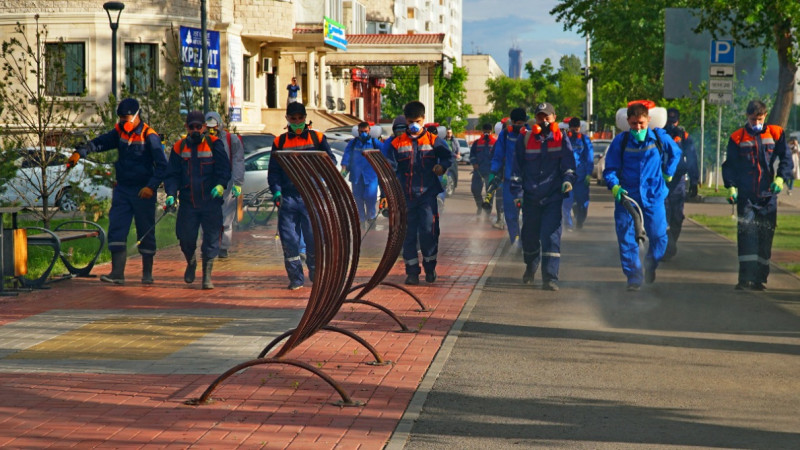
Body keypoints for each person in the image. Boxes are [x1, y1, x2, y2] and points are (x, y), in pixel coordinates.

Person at [69, 97, 168, 285]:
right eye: (121, 118)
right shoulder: (119, 131)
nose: (123, 121)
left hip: (143, 191)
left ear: (137, 115)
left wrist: (151, 186)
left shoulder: (150, 136)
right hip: (123, 188)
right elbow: (102, 142)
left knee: (145, 230)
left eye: (127, 117)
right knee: (117, 228)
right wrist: (82, 151)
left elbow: (163, 166)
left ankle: (147, 274)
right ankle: (117, 273)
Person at [603, 102, 682, 291]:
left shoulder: (658, 137)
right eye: (633, 124)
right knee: (626, 237)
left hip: (653, 196)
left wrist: (668, 172)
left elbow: (676, 153)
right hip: (627, 197)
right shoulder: (620, 141)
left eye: (641, 123)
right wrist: (614, 186)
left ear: (648, 121)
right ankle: (634, 278)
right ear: (627, 123)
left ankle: (650, 264)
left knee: (659, 237)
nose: (637, 128)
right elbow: (610, 169)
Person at [722, 100, 794, 291]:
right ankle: (745, 278)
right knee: (747, 235)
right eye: (753, 119)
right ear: (747, 117)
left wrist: (780, 179)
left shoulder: (776, 134)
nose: (756, 123)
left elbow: (786, 159)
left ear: (765, 116)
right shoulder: (737, 138)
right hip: (747, 196)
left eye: (760, 119)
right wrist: (731, 187)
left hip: (768, 196)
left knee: (765, 237)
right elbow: (729, 166)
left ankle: (760, 279)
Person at [384, 101, 454, 285]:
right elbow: (389, 169)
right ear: (405, 121)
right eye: (410, 121)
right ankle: (412, 272)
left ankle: (430, 269)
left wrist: (442, 166)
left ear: (423, 120)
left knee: (429, 233)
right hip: (406, 197)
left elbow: (448, 157)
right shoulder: (397, 143)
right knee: (407, 235)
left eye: (417, 120)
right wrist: (387, 194)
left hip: (427, 196)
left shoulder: (433, 140)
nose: (413, 125)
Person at [268, 102, 336, 290]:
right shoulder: (279, 142)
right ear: (287, 119)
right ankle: (296, 278)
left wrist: (320, 178)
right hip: (288, 198)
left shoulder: (318, 138)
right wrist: (276, 191)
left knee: (313, 236)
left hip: (311, 197)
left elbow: (331, 161)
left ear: (305, 118)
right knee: (289, 240)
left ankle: (315, 270)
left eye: (300, 118)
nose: (297, 122)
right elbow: (273, 171)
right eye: (293, 118)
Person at [509, 102, 576, 291]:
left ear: (554, 118)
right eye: (540, 117)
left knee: (551, 237)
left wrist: (568, 180)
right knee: (529, 237)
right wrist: (517, 193)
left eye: (547, 117)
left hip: (553, 197)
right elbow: (516, 169)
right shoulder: (525, 139)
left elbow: (569, 165)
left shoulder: (561, 138)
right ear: (535, 119)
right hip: (530, 197)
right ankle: (531, 266)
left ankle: (550, 278)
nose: (544, 120)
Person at [164, 111, 231, 290]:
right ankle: (191, 261)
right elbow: (172, 175)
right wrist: (170, 193)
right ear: (186, 127)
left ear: (204, 127)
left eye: (198, 127)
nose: (195, 130)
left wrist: (220, 185)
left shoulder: (214, 144)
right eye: (191, 127)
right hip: (188, 203)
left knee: (211, 238)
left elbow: (224, 169)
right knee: (185, 238)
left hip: (211, 202)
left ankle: (207, 276)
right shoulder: (179, 147)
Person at [662, 108, 700, 260]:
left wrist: (694, 181)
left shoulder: (684, 137)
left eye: (674, 121)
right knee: (662, 216)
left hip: (678, 183)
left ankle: (671, 243)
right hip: (661, 182)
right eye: (669, 121)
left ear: (678, 121)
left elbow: (692, 159)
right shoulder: (658, 135)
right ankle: (666, 246)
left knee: (677, 217)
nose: (672, 124)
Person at [205, 112, 244, 259]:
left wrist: (238, 182)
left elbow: (238, 161)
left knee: (226, 217)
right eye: (208, 128)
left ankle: (223, 247)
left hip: (227, 183)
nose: (211, 130)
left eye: (214, 127)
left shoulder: (231, 139)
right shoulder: (201, 139)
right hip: (207, 183)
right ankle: (209, 245)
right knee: (207, 216)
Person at [490, 107, 530, 244]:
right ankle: (515, 240)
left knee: (529, 214)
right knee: (510, 214)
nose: (519, 125)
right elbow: (498, 155)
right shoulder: (505, 135)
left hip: (527, 181)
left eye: (521, 122)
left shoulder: (530, 134)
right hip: (509, 181)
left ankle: (527, 240)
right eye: (516, 122)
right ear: (511, 122)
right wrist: (493, 172)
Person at [341, 121, 381, 229]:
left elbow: (385, 153)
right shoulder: (353, 143)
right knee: (358, 199)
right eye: (361, 131)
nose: (363, 134)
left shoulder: (374, 142)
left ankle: (371, 217)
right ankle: (361, 221)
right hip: (356, 176)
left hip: (371, 176)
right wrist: (344, 167)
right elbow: (347, 155)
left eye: (365, 131)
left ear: (369, 131)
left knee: (370, 197)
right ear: (358, 131)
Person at [562, 117, 594, 230]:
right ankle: (568, 225)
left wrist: (589, 173)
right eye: (572, 128)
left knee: (583, 203)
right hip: (567, 176)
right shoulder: (565, 139)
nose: (575, 130)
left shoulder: (585, 140)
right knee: (566, 202)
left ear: (580, 128)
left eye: (577, 128)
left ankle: (580, 219)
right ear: (569, 128)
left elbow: (589, 157)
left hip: (581, 177)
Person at [469, 123, 500, 219]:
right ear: (482, 131)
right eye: (485, 131)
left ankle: (487, 212)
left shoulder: (495, 142)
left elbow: (498, 156)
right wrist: (474, 163)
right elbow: (472, 155)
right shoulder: (477, 143)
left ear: (492, 132)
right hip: (478, 171)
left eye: (488, 131)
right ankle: (479, 206)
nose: (486, 133)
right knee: (475, 189)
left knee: (489, 192)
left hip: (490, 171)